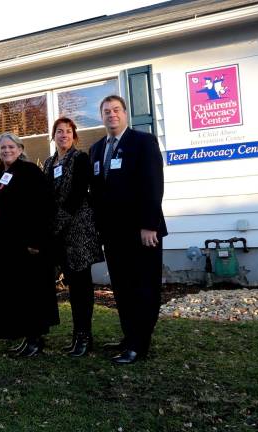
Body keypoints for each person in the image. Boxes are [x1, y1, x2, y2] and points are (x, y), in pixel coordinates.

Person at [89, 95, 167, 365]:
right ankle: (129, 336)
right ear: (102, 117)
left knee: (143, 287)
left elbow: (153, 184)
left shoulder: (143, 142)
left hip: (142, 232)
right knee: (122, 289)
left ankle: (139, 344)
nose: (111, 115)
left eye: (116, 110)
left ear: (125, 114)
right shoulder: (97, 149)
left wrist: (149, 225)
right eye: (106, 111)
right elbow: (98, 193)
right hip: (113, 234)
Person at [0, 132, 58, 357]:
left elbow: (44, 206)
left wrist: (37, 240)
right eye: (2, 148)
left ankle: (35, 340)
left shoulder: (29, 171)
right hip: (8, 246)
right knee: (19, 293)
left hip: (29, 244)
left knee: (33, 292)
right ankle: (27, 338)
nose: (6, 151)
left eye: (11, 147)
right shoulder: (0, 174)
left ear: (20, 149)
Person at [43, 118, 103, 357]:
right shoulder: (48, 163)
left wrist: (56, 222)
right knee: (70, 285)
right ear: (53, 136)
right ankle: (76, 335)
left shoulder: (80, 159)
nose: (64, 135)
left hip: (78, 230)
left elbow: (78, 194)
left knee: (81, 286)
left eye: (68, 132)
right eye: (59, 131)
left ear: (74, 136)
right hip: (59, 234)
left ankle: (84, 336)